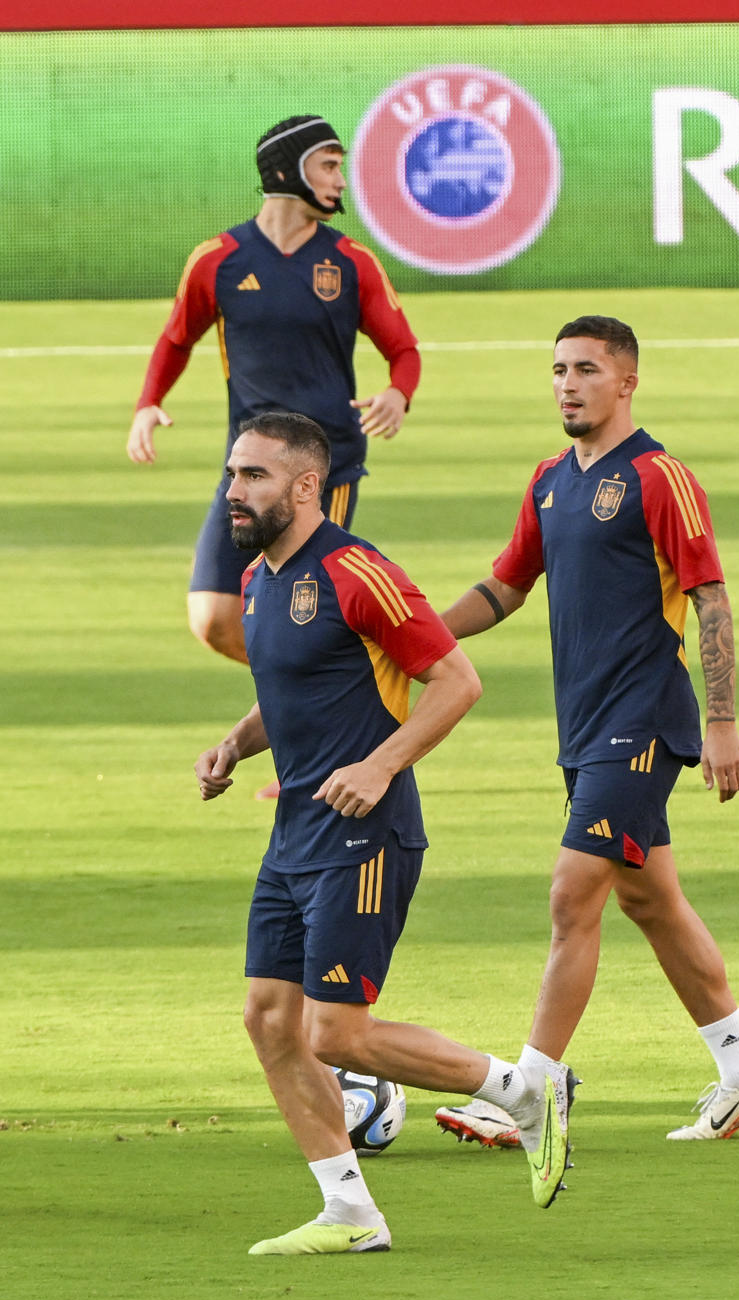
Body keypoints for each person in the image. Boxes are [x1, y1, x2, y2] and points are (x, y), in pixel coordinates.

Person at [195, 411, 571, 1255]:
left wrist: (381, 766)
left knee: (337, 1033)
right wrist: (235, 742)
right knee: (268, 1019)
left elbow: (455, 679)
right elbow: (293, 689)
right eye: (231, 473)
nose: (233, 491)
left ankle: (522, 1093)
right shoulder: (260, 580)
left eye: (253, 475)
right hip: (295, 835)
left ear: (304, 486)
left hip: (365, 836)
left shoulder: (359, 572)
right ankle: (350, 1214)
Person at [431, 316, 739, 1150]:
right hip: (584, 727)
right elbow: (506, 587)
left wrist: (724, 722)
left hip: (645, 720)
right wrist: (422, 641)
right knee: (648, 899)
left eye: (586, 370)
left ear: (626, 383)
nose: (566, 383)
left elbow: (712, 599)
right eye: (557, 369)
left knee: (570, 895)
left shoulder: (661, 477)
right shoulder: (550, 479)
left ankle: (532, 1087)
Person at [128, 114, 421, 668]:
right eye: (329, 165)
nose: (340, 180)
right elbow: (175, 339)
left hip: (320, 469)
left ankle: (326, 695)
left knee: (294, 612)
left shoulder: (352, 262)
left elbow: (403, 350)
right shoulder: (216, 259)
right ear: (288, 169)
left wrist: (397, 394)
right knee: (214, 617)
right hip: (247, 464)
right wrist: (148, 405)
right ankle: (331, 686)